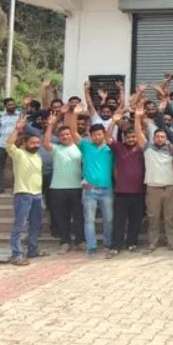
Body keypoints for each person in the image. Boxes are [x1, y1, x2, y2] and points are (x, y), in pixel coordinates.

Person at [68, 105, 115, 259]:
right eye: (94, 135)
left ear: (104, 134)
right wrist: (75, 114)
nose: (96, 137)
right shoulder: (85, 146)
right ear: (90, 135)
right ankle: (92, 247)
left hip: (107, 189)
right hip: (89, 190)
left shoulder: (110, 149)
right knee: (89, 220)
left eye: (99, 134)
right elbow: (73, 132)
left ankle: (108, 244)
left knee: (109, 219)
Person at [5, 115, 48, 266]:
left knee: (36, 224)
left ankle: (32, 250)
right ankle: (16, 254)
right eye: (33, 143)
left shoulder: (38, 157)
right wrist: (17, 129)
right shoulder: (19, 154)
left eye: (37, 143)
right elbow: (9, 144)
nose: (36, 145)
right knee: (20, 225)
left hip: (37, 195)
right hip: (23, 194)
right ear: (24, 143)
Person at [43, 109, 84, 254]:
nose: (65, 136)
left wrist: (73, 115)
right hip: (57, 189)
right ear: (59, 138)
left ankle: (80, 241)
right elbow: (45, 143)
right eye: (62, 135)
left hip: (77, 188)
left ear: (72, 135)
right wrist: (50, 125)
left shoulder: (80, 148)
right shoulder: (56, 149)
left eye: (67, 134)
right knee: (62, 217)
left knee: (79, 216)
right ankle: (65, 242)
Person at [107, 108, 147, 254]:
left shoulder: (142, 149)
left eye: (133, 137)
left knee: (135, 220)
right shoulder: (119, 147)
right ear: (124, 138)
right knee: (119, 221)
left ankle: (132, 243)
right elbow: (107, 137)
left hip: (138, 192)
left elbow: (142, 133)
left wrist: (138, 118)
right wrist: (113, 122)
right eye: (128, 137)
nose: (131, 139)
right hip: (121, 192)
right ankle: (116, 245)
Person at [143, 128, 173, 254]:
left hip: (169, 187)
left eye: (162, 137)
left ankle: (172, 242)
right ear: (153, 138)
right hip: (153, 188)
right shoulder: (147, 148)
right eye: (158, 136)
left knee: (170, 217)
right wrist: (138, 118)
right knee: (153, 217)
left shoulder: (171, 150)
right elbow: (138, 132)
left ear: (166, 138)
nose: (160, 139)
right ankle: (152, 243)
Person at [0, 98, 21, 194]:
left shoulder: (20, 115)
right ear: (5, 106)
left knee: (17, 166)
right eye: (9, 105)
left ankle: (16, 188)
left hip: (15, 145)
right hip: (2, 144)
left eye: (13, 104)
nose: (12, 106)